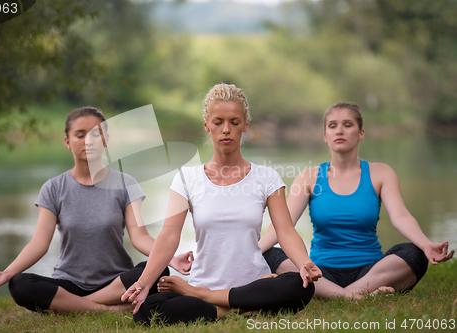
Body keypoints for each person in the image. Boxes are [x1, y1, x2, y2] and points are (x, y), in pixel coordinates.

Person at [121, 84, 322, 325]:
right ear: (207, 125)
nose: (226, 130)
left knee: (301, 286)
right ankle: (236, 308)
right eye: (218, 122)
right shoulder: (187, 178)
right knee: (147, 309)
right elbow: (169, 235)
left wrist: (304, 263)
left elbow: (286, 231)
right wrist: (143, 283)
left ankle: (216, 301)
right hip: (203, 283)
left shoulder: (267, 178)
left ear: (245, 125)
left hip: (253, 284)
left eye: (234, 122)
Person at [0, 107, 194, 313]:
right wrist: (6, 273)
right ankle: (107, 308)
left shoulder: (126, 183)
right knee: (20, 284)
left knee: (157, 272)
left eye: (96, 134)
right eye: (80, 134)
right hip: (70, 283)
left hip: (116, 281)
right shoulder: (53, 188)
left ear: (106, 140)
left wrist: (171, 258)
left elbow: (140, 237)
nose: (88, 140)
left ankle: (73, 306)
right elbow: (39, 243)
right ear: (67, 141)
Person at [259, 102, 455, 300]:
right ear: (325, 136)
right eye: (333, 126)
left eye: (347, 124)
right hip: (320, 273)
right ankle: (358, 296)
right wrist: (255, 249)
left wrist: (426, 244)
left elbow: (400, 216)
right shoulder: (309, 177)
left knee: (414, 252)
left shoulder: (381, 173)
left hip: (371, 272)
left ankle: (333, 295)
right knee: (271, 255)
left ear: (361, 132)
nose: (340, 131)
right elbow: (283, 225)